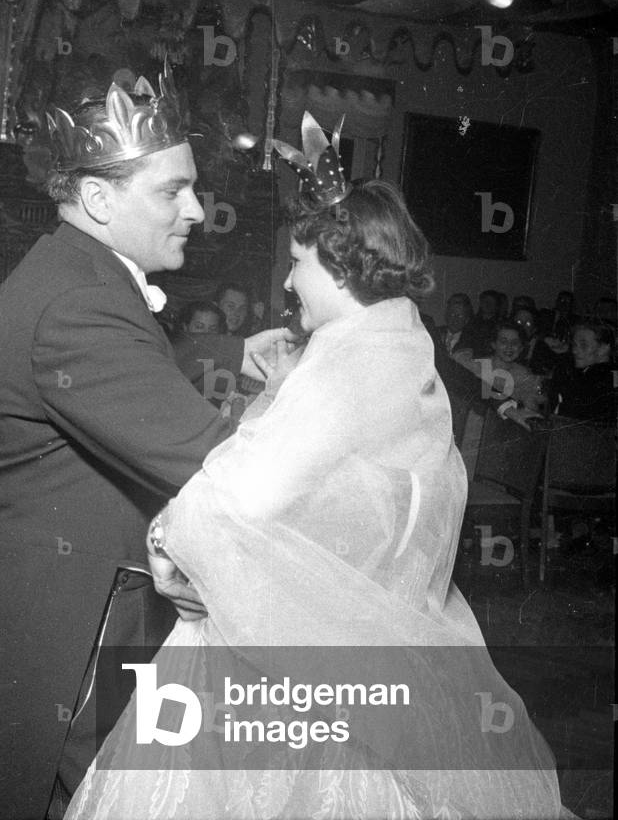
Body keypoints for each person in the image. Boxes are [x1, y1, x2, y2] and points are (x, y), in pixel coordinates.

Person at [66, 115, 565, 820]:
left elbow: (246, 494)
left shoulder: (346, 359)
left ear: (337, 267)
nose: (287, 281)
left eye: (297, 262)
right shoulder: (403, 341)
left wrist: (169, 540)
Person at [0, 72, 292, 820]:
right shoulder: (82, 301)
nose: (196, 210)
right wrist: (327, 421)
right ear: (98, 198)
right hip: (67, 628)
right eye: (172, 190)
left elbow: (114, 373)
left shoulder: (69, 269)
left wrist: (228, 354)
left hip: (39, 595)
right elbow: (220, 465)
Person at [549, 321, 616, 426]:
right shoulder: (589, 373)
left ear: (604, 348)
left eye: (583, 345)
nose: (575, 351)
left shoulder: (600, 379)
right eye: (574, 345)